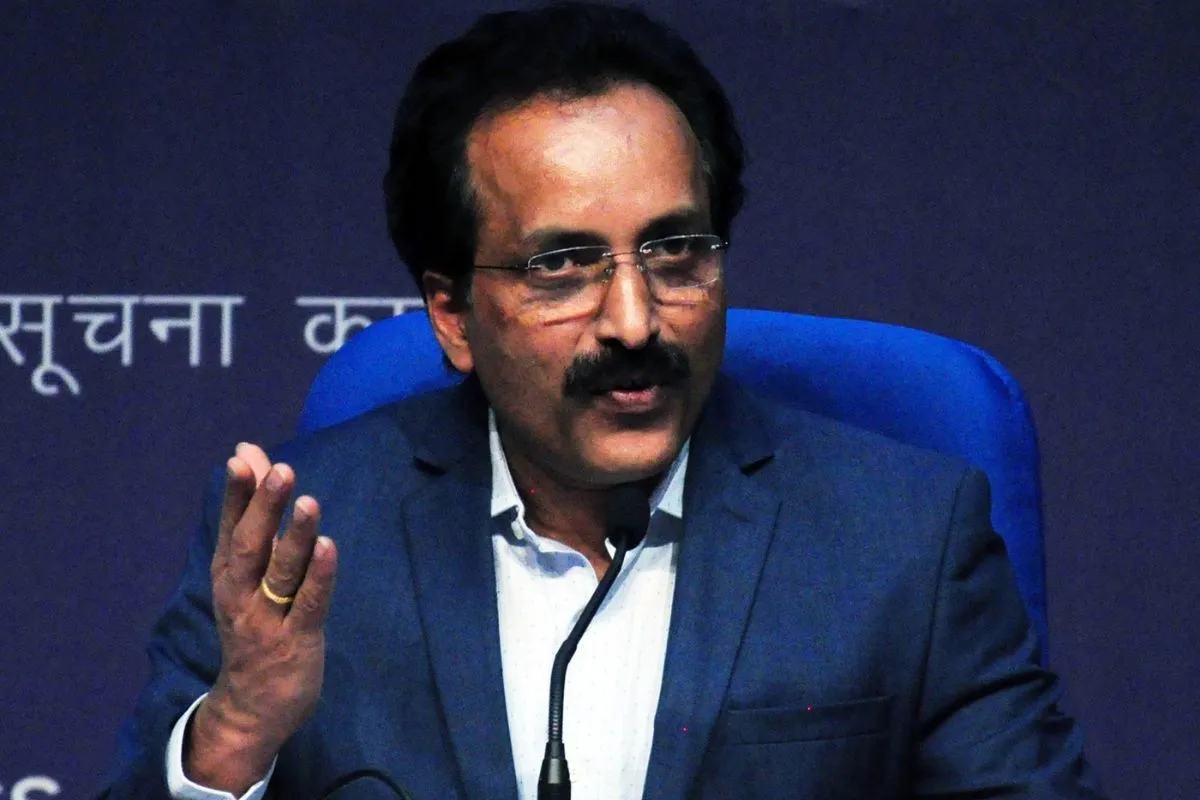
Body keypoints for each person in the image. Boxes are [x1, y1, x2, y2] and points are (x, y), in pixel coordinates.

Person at [100, 3, 1105, 798]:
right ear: (452, 314)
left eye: (676, 251)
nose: (633, 320)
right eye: (562, 265)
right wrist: (237, 730)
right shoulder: (305, 544)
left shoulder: (905, 538)